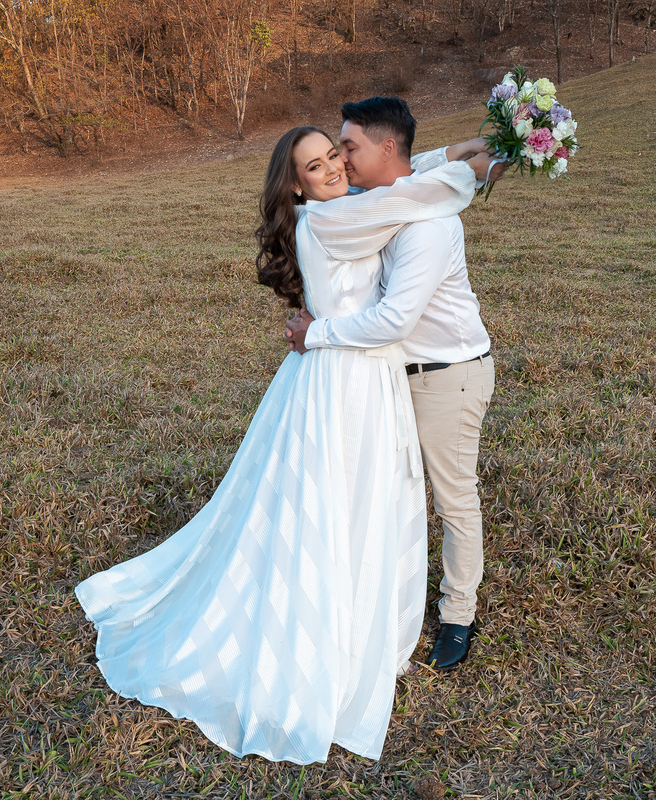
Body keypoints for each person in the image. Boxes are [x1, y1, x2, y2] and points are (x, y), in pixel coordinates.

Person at [74, 126, 501, 765]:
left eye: (336, 154)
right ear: (295, 183)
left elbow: (398, 175)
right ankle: (325, 628)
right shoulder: (334, 220)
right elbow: (413, 191)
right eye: (316, 164)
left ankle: (372, 604)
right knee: (331, 500)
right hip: (343, 377)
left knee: (364, 496)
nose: (333, 167)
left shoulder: (347, 204)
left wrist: (468, 145)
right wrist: (486, 162)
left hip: (362, 375)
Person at [286, 97, 497, 672]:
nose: (341, 162)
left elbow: (395, 320)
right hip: (388, 374)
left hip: (446, 375)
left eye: (347, 148)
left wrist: (317, 331)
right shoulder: (379, 199)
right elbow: (416, 169)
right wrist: (461, 156)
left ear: (382, 149)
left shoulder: (427, 223)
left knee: (452, 497)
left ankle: (458, 614)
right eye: (330, 154)